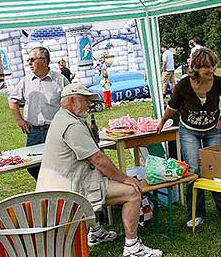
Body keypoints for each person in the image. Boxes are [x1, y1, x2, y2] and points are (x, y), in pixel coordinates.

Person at [36, 82, 163, 257]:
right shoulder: (71, 125)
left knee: (100, 182)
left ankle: (96, 233)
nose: (89, 104)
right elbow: (98, 160)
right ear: (72, 101)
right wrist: (125, 179)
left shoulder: (64, 118)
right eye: (86, 100)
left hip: (61, 186)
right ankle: (133, 248)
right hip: (69, 191)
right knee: (132, 192)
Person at [157, 47, 221, 228]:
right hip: (189, 131)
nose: (211, 70)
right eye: (207, 67)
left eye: (213, 66)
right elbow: (173, 105)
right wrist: (162, 122)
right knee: (193, 170)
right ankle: (196, 213)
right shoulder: (183, 85)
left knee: (215, 168)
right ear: (196, 67)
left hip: (213, 130)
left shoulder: (219, 82)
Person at [8, 47, 69, 180]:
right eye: (28, 60)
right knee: (33, 166)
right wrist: (19, 120)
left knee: (58, 164)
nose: (29, 63)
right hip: (34, 132)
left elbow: (71, 103)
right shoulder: (26, 81)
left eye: (32, 60)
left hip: (55, 130)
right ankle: (45, 187)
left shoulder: (60, 80)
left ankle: (57, 190)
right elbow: (13, 101)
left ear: (43, 60)